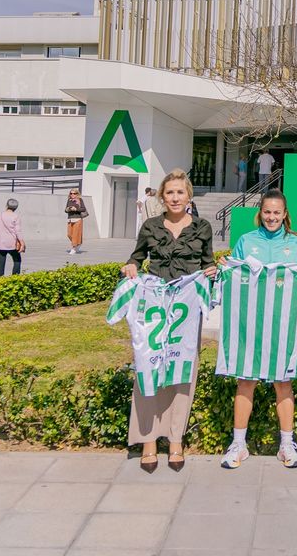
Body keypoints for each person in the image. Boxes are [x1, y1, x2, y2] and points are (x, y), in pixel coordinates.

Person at [121, 168, 216, 472]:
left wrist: (212, 271)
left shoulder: (202, 227)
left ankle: (175, 439)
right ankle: (148, 439)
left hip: (187, 311)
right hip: (155, 306)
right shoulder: (150, 226)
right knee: (148, 367)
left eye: (180, 192)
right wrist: (131, 266)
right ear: (162, 197)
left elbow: (207, 263)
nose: (175, 198)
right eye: (170, 192)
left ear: (189, 196)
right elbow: (136, 257)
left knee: (183, 369)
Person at [218, 189, 297, 470]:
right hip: (249, 325)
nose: (271, 217)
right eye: (267, 212)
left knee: (283, 383)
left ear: (285, 215)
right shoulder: (245, 241)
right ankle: (239, 444)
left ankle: (286, 444)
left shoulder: (296, 244)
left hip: (283, 326)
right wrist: (225, 268)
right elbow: (232, 277)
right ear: (259, 213)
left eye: (277, 212)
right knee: (245, 381)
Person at [0, 198, 24, 277]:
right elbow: (18, 231)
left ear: (6, 205)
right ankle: (15, 277)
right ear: (16, 208)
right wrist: (22, 242)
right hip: (12, 243)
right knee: (17, 260)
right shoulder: (15, 216)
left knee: (0, 261)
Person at [65, 189, 87, 255]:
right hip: (70, 219)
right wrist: (68, 209)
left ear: (77, 194)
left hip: (78, 219)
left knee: (75, 235)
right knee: (69, 234)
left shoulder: (80, 200)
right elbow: (65, 210)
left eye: (74, 193)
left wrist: (76, 209)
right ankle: (78, 243)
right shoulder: (69, 200)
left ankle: (74, 248)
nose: (72, 195)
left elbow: (83, 209)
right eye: (71, 193)